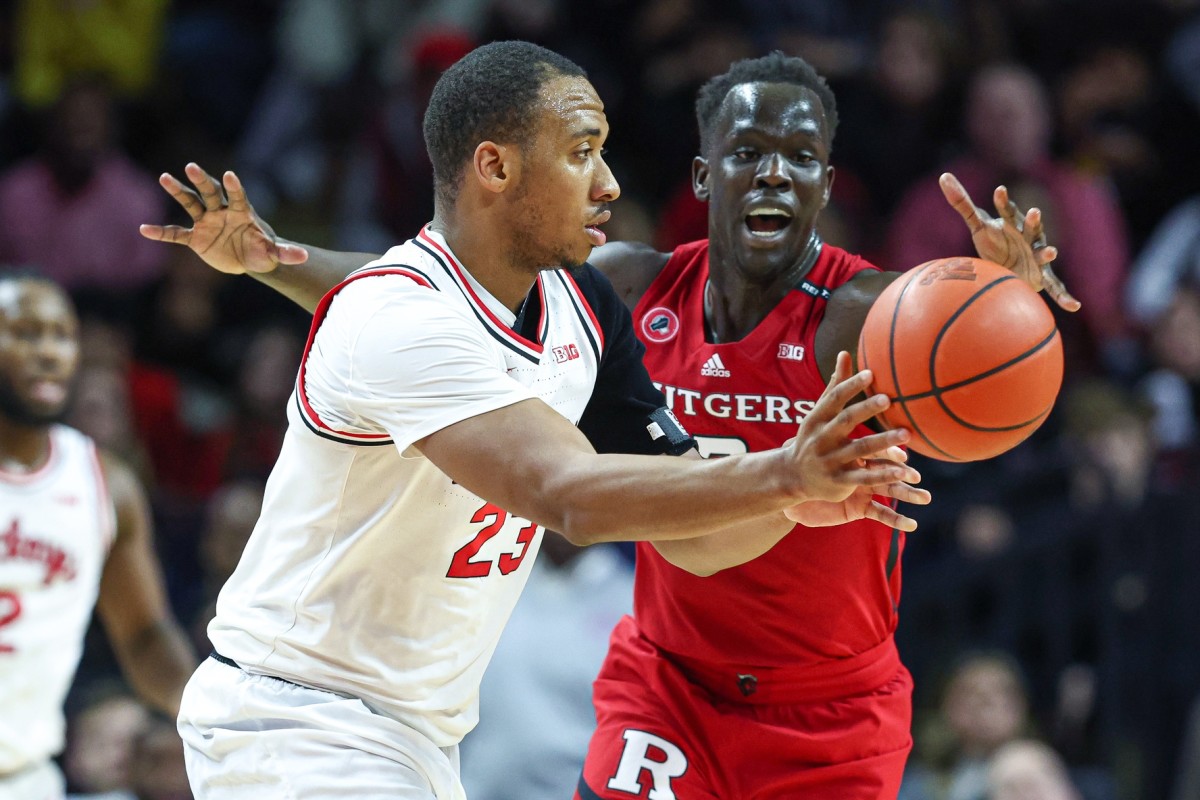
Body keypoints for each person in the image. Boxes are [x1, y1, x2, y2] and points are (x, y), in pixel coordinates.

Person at [144, 49, 1074, 800]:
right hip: (309, 721)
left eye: (801, 159)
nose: (608, 181)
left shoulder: (587, 315)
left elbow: (707, 543)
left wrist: (1004, 308)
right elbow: (568, 496)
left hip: (456, 732)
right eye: (583, 151)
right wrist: (790, 478)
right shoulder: (510, 305)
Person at [0, 272, 196, 799]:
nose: (47, 352)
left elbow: (143, 636)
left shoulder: (105, 485)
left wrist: (216, 717)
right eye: (23, 333)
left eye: (60, 335)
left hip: (23, 777)